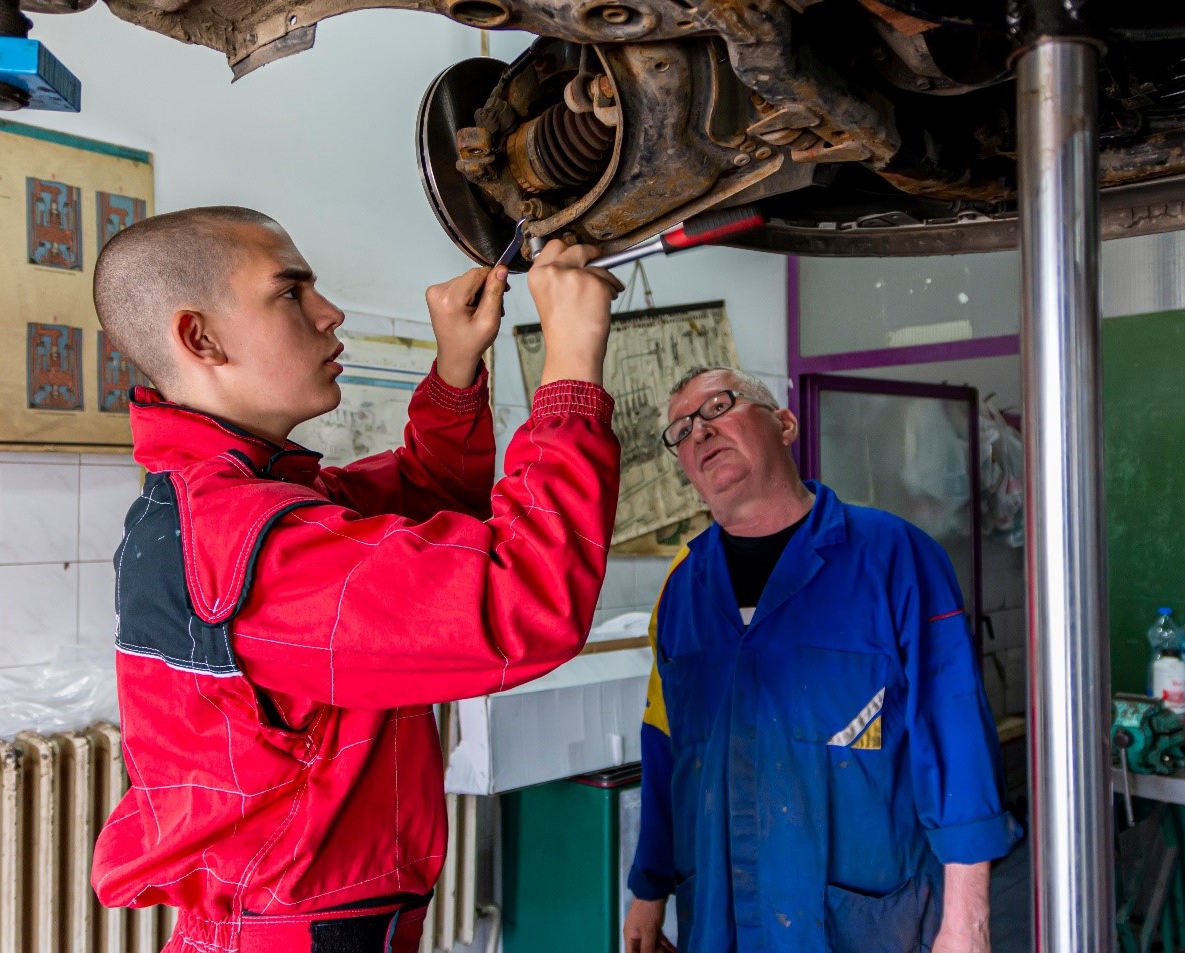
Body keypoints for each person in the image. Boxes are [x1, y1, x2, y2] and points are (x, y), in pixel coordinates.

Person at [88, 206, 623, 952]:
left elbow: (418, 504)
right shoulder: (250, 548)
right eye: (291, 291)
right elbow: (524, 601)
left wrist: (456, 370)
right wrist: (569, 371)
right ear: (199, 337)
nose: (330, 312)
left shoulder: (235, 503)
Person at [624, 367, 1021, 953]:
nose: (699, 433)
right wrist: (648, 889)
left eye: (717, 408)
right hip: (719, 918)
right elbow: (666, 750)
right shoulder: (681, 588)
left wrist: (968, 919)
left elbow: (954, 733)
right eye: (680, 430)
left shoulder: (896, 558)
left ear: (785, 424)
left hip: (863, 923)